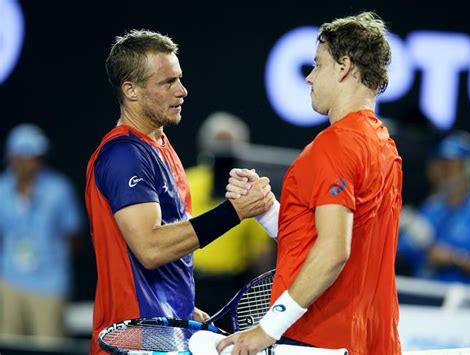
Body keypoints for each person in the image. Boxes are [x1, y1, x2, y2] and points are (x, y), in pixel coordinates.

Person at [218, 12, 402, 354]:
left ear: (344, 66)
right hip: (372, 341)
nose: (309, 77)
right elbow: (327, 240)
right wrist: (267, 209)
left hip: (318, 341)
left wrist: (267, 329)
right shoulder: (384, 146)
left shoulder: (334, 146)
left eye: (318, 64)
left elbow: (333, 251)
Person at [84, 30, 274, 354]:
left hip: (163, 336)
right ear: (130, 90)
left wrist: (183, 305)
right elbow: (151, 247)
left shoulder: (161, 147)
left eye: (180, 79)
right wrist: (235, 211)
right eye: (167, 82)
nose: (182, 91)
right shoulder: (124, 156)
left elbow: (165, 257)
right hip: (135, 343)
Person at [186, 112, 275, 330]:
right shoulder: (186, 182)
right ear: (204, 145)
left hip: (232, 291)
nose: (224, 151)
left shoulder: (250, 191)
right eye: (219, 144)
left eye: (230, 145)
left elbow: (260, 253)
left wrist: (265, 301)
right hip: (191, 285)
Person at [0, 124, 82, 338]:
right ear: (13, 156)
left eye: (37, 155)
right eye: (27, 155)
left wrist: (52, 258)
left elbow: (73, 235)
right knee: (8, 344)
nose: (33, 161)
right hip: (9, 281)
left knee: (48, 345)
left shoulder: (58, 188)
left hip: (49, 284)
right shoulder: (1, 189)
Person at [397, 131, 470, 284]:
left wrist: (453, 258)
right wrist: (397, 227)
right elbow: (401, 252)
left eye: (450, 166)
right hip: (426, 296)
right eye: (440, 165)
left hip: (465, 301)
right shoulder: (432, 207)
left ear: (467, 169)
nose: (443, 173)